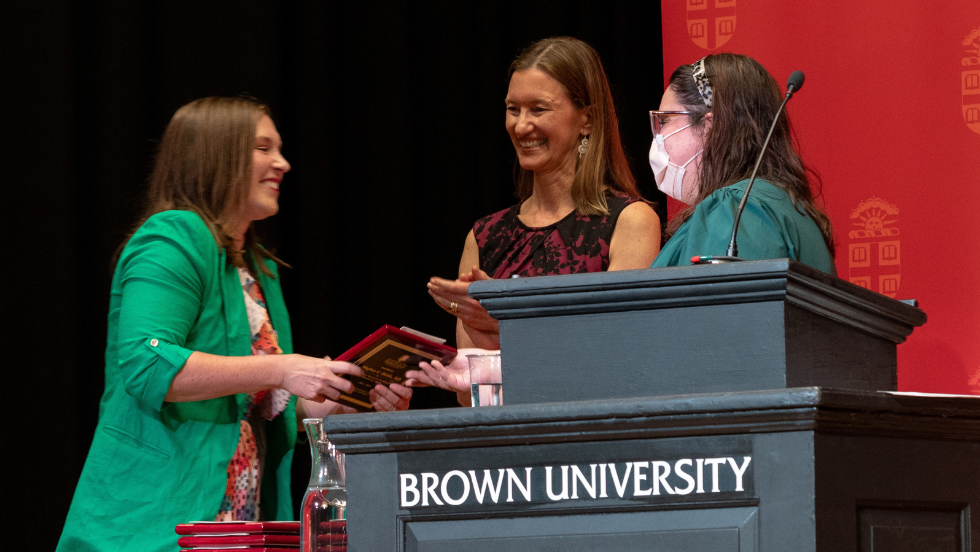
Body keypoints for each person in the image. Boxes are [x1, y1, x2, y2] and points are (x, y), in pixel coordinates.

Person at [57, 97, 412, 552]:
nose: (282, 163)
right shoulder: (172, 238)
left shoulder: (254, 268)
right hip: (154, 520)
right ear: (215, 154)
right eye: (263, 148)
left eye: (279, 149)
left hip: (238, 525)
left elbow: (257, 407)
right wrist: (282, 368)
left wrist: (339, 402)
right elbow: (148, 364)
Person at [426, 37, 662, 357]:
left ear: (587, 119)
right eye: (513, 109)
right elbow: (469, 394)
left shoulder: (630, 221)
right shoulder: (484, 236)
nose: (521, 126)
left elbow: (620, 353)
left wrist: (503, 326)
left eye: (538, 109)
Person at [647, 53, 836, 273]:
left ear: (710, 126)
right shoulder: (794, 209)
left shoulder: (735, 210)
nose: (658, 135)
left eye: (665, 120)